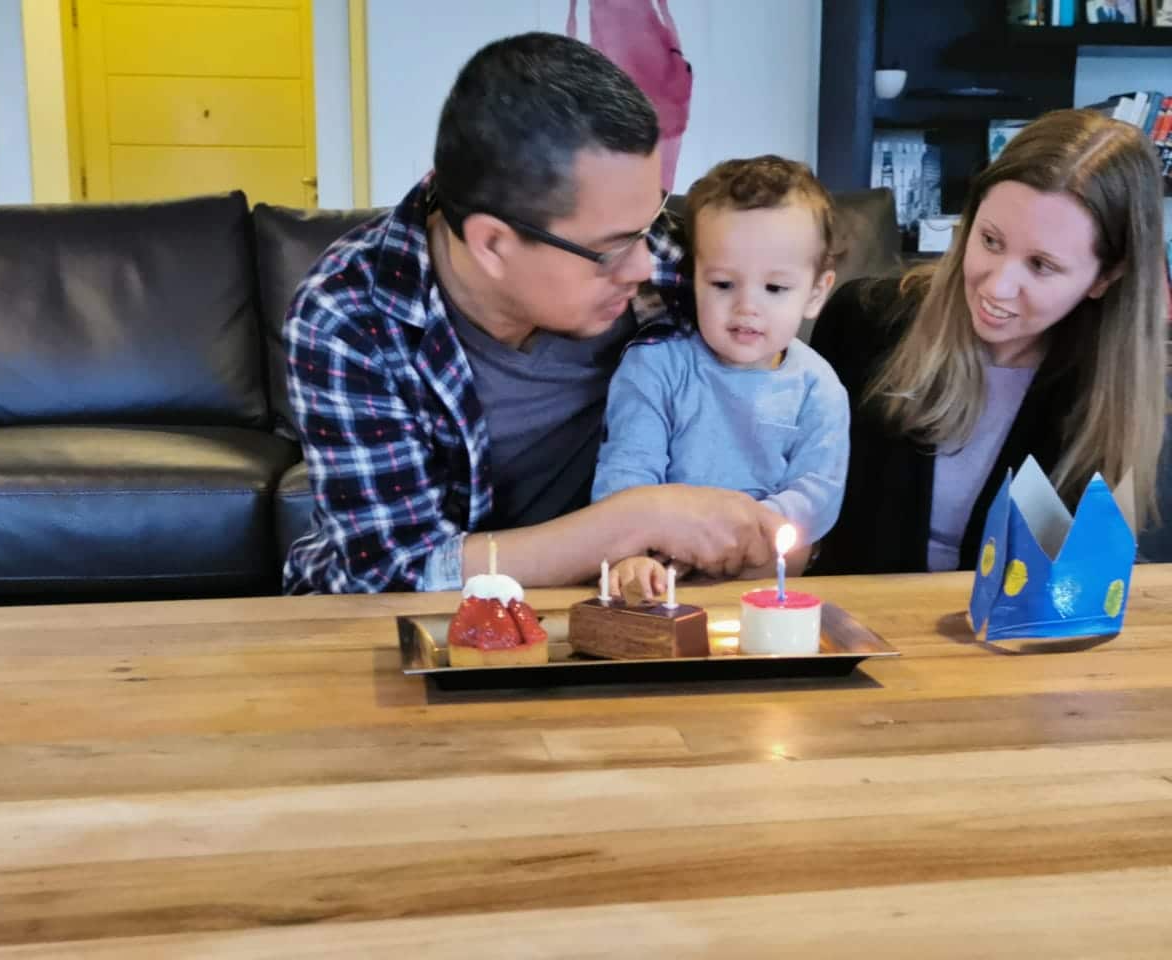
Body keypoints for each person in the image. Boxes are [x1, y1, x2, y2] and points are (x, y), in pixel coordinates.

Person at [282, 32, 787, 594]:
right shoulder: (350, 315)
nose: (645, 265)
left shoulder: (671, 266)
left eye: (650, 224)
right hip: (397, 632)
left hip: (619, 605)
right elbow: (399, 572)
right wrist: (641, 518)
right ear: (493, 245)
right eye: (614, 246)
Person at [809, 108, 1167, 576]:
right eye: (991, 241)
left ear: (1105, 278)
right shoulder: (863, 323)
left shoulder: (1114, 396)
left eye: (1041, 265)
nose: (996, 287)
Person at [593, 157, 849, 598]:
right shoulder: (653, 366)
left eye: (775, 289)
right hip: (663, 573)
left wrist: (743, 535)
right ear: (693, 280)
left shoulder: (818, 387)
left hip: (765, 575)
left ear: (816, 293)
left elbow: (817, 492)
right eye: (724, 284)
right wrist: (632, 554)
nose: (747, 306)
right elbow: (626, 473)